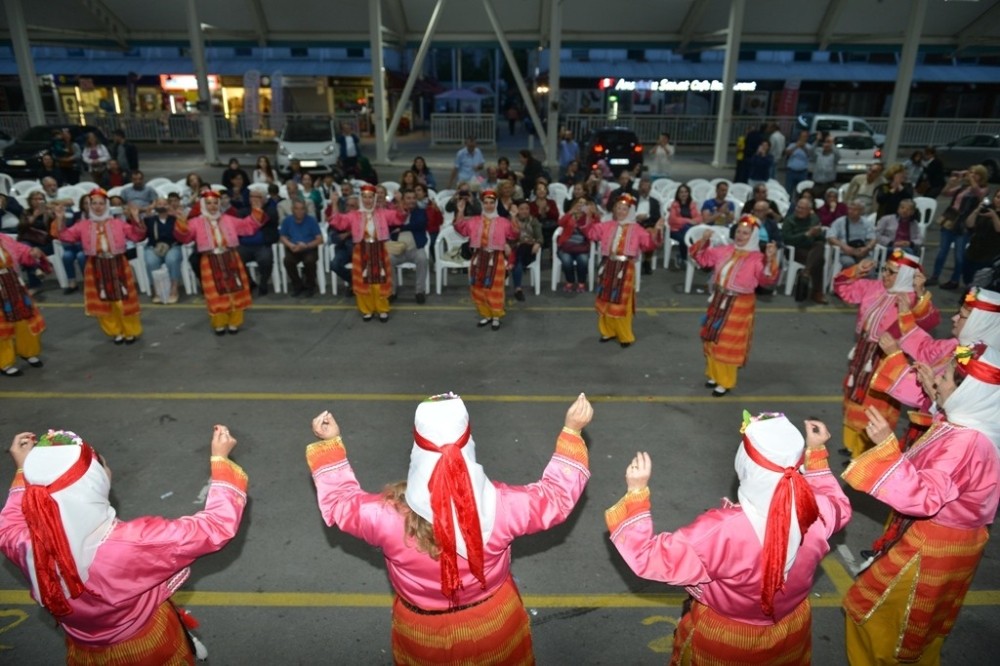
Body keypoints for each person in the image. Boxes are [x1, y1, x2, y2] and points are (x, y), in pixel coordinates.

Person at [305, 391, 592, 664]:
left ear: (417, 446)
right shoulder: (502, 505)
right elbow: (555, 497)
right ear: (468, 442)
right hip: (494, 623)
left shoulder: (386, 516)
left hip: (422, 632)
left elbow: (340, 503)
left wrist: (331, 444)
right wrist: (572, 431)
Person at [606, 412, 850, 664]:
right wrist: (817, 451)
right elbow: (839, 505)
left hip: (728, 638)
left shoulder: (722, 531)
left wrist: (636, 495)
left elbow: (647, 558)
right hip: (791, 628)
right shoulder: (819, 510)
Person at [0, 425, 248, 663]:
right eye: (102, 464)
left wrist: (26, 470)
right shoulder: (133, 543)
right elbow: (215, 527)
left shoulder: (26, 545)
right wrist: (221, 460)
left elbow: (7, 526)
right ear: (94, 484)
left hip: (87, 652)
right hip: (147, 648)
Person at [842, 343, 1000, 665]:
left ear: (967, 395)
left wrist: (886, 447)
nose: (938, 382)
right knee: (918, 628)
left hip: (931, 547)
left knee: (882, 623)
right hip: (949, 544)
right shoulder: (977, 425)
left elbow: (922, 497)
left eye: (945, 381)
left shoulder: (965, 443)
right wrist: (938, 396)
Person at [833, 251, 939, 460]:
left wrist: (919, 292)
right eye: (884, 269)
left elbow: (930, 320)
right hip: (862, 355)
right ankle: (852, 445)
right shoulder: (874, 287)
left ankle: (866, 453)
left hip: (886, 361)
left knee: (875, 407)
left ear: (905, 275)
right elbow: (842, 288)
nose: (885, 275)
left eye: (891, 272)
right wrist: (857, 270)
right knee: (853, 397)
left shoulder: (911, 300)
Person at [691, 215, 779, 396]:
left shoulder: (757, 258)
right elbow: (702, 259)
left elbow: (766, 279)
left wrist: (770, 260)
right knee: (712, 337)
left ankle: (726, 381)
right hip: (718, 300)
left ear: (753, 236)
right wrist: (704, 241)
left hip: (739, 305)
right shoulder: (725, 250)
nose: (740, 236)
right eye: (738, 231)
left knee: (728, 343)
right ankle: (714, 375)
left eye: (745, 233)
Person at [55, 188, 146, 344]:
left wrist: (136, 219)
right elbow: (65, 236)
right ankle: (115, 331)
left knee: (123, 299)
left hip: (117, 263)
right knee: (104, 301)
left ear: (107, 205)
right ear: (89, 206)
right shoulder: (82, 225)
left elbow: (137, 236)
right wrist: (60, 220)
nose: (98, 207)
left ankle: (130, 331)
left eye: (101, 204)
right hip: (96, 264)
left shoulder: (118, 223)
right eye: (94, 203)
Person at [174, 191, 265, 335]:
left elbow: (247, 227)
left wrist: (257, 210)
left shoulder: (228, 219)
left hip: (231, 257)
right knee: (215, 293)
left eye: (215, 203)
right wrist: (181, 222)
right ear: (203, 205)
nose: (212, 206)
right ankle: (219, 324)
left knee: (236, 289)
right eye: (209, 203)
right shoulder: (196, 222)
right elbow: (184, 237)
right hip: (209, 260)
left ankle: (235, 322)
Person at [585, 194, 665, 347]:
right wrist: (589, 217)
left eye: (624, 209)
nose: (621, 211)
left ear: (630, 210)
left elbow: (649, 244)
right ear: (614, 210)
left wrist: (657, 230)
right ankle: (608, 331)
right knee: (605, 299)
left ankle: (625, 335)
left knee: (622, 303)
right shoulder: (607, 225)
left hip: (625, 268)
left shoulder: (637, 229)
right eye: (618, 208)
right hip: (608, 265)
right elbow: (591, 234)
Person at [329, 184, 406, 322]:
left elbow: (400, 218)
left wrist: (399, 201)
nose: (367, 200)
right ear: (361, 198)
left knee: (380, 281)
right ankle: (367, 310)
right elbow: (338, 223)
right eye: (364, 197)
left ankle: (382, 309)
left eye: (370, 197)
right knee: (364, 282)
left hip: (379, 249)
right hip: (361, 250)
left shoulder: (383, 213)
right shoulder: (354, 215)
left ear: (375, 198)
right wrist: (334, 203)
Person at [454, 189, 520, 331]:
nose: (489, 205)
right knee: (477, 288)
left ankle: (496, 317)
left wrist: (514, 216)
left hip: (496, 259)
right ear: (482, 204)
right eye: (486, 203)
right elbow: (460, 228)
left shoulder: (503, 222)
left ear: (495, 204)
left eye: (491, 203)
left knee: (495, 289)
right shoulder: (474, 221)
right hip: (477, 258)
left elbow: (514, 234)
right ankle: (487, 315)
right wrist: (460, 211)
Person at [927, 165, 990, 290]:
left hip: (963, 225)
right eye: (971, 172)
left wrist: (970, 178)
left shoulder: (984, 189)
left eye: (975, 173)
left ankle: (955, 280)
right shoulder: (963, 187)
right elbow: (945, 193)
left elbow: (979, 194)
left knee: (959, 255)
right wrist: (950, 183)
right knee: (942, 251)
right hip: (950, 220)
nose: (972, 175)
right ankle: (934, 276)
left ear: (981, 176)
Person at [0, 234, 46, 376]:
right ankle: (5, 362)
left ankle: (28, 352)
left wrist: (30, 252)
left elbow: (21, 250)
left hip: (13, 283)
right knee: (2, 326)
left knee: (25, 318)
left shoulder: (4, 238)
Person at [782, 197, 828, 304]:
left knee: (819, 245)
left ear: (809, 210)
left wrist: (817, 233)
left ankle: (806, 271)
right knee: (819, 260)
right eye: (798, 207)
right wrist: (806, 235)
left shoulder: (814, 219)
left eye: (803, 208)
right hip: (795, 251)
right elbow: (787, 240)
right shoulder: (789, 220)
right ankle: (817, 292)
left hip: (811, 249)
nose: (799, 210)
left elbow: (821, 238)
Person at [389, 189, 430, 305]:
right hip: (398, 250)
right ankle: (392, 291)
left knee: (422, 259)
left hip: (415, 249)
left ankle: (419, 292)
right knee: (387, 259)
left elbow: (419, 224)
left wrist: (402, 227)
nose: (412, 201)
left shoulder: (420, 212)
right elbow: (391, 226)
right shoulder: (395, 212)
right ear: (403, 200)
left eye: (413, 198)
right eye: (408, 198)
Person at [237, 189, 278, 297]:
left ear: (264, 199)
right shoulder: (243, 211)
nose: (254, 199)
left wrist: (257, 210)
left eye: (257, 197)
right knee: (235, 258)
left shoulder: (271, 210)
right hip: (244, 245)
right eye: (252, 196)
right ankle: (249, 282)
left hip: (262, 245)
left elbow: (265, 220)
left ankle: (263, 283)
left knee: (266, 259)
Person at [279, 200, 323, 298]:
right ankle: (297, 285)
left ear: (305, 210)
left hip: (309, 248)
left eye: (302, 209)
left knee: (309, 261)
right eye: (297, 209)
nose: (299, 211)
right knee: (287, 261)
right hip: (293, 247)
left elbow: (320, 239)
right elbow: (282, 237)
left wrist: (306, 245)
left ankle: (310, 285)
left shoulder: (311, 220)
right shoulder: (287, 220)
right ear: (292, 210)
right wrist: (290, 245)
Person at [143, 197, 183, 304]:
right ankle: (157, 291)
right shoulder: (149, 219)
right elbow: (141, 234)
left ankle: (174, 290)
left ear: (169, 205)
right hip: (154, 247)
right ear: (155, 206)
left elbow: (183, 231)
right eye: (159, 203)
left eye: (164, 203)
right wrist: (147, 212)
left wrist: (177, 215)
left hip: (173, 246)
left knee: (172, 259)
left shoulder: (175, 218)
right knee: (151, 262)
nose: (161, 205)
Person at [557, 198, 597, 293]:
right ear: (575, 204)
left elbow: (594, 231)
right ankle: (570, 282)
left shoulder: (589, 217)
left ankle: (581, 283)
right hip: (566, 246)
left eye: (584, 204)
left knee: (583, 260)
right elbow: (560, 223)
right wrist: (571, 212)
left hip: (582, 246)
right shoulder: (569, 215)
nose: (581, 205)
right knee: (566, 260)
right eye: (579, 203)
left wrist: (589, 216)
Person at [963, 188, 1000, 285]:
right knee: (967, 278)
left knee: (980, 283)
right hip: (973, 251)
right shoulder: (987, 208)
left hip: (989, 255)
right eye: (998, 197)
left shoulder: (993, 214)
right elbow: (969, 224)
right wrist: (976, 211)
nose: (999, 200)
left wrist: (994, 216)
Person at [509, 199, 543, 302]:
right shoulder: (510, 220)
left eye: (527, 209)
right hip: (514, 250)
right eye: (522, 209)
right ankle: (518, 289)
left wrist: (538, 243)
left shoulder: (533, 221)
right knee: (517, 259)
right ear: (517, 210)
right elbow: (507, 237)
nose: (525, 211)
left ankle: (516, 286)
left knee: (522, 249)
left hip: (529, 251)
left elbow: (540, 237)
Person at [827, 200, 877, 268]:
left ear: (861, 211)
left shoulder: (866, 223)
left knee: (868, 265)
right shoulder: (840, 222)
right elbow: (831, 237)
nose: (851, 211)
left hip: (862, 252)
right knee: (849, 263)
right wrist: (844, 246)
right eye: (850, 209)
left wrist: (867, 248)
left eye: (855, 209)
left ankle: (866, 279)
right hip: (845, 253)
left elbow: (873, 238)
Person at [668, 184, 700, 263]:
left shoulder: (692, 204)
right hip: (675, 230)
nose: (683, 194)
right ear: (678, 194)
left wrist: (693, 221)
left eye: (686, 192)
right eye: (681, 192)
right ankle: (684, 257)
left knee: (691, 235)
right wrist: (688, 220)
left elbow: (699, 218)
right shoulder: (674, 205)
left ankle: (689, 257)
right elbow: (673, 219)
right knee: (685, 239)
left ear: (689, 193)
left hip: (689, 229)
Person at [784, 130, 812, 195]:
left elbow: (810, 155)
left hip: (802, 172)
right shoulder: (792, 145)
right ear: (799, 137)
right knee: (788, 191)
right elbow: (787, 153)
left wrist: (804, 148)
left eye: (805, 136)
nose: (803, 138)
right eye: (802, 136)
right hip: (791, 172)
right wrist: (796, 146)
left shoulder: (809, 147)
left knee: (801, 191)